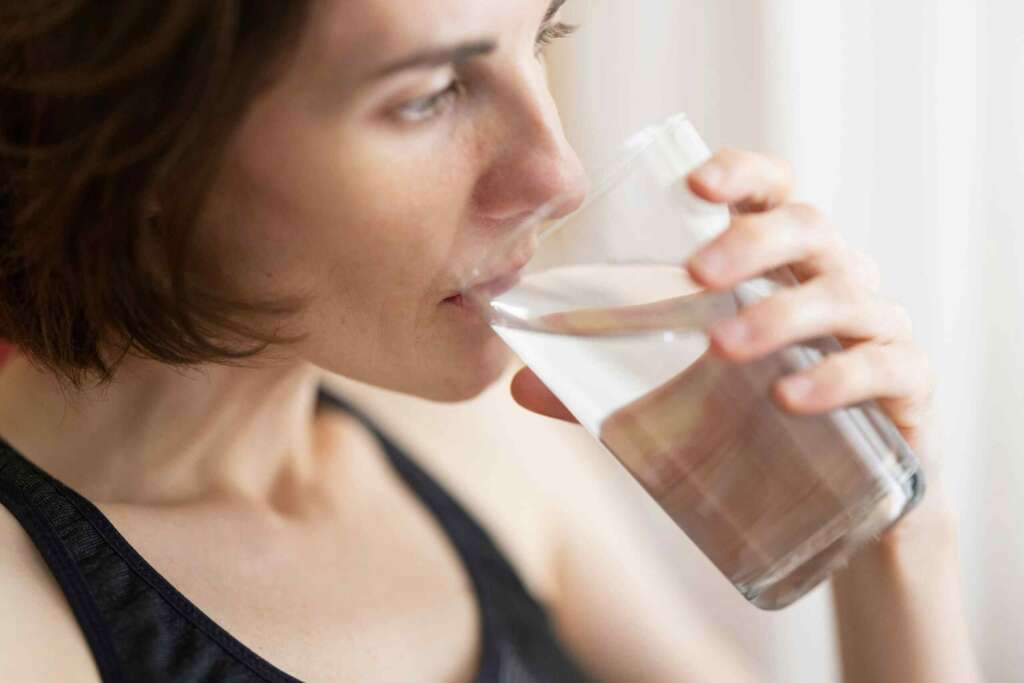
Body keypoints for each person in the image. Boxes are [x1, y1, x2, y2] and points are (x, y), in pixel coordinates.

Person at [0, 1, 980, 681]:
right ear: (137, 144)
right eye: (428, 93)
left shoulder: (478, 442)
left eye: (541, 34)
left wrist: (895, 532)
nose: (556, 172)